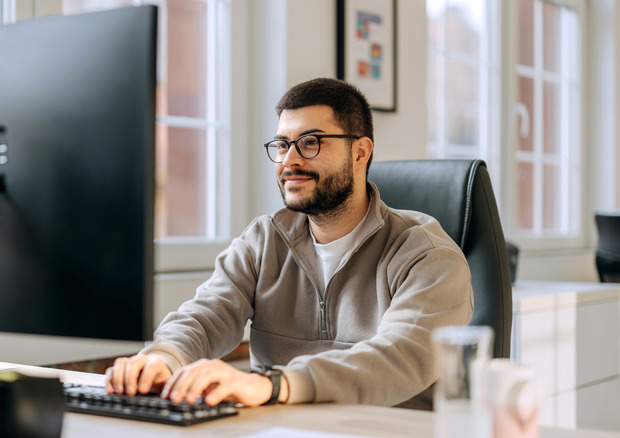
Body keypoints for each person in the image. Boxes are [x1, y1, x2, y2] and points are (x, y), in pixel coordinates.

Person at [106, 77, 473, 410]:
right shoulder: (263, 241)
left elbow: (399, 356)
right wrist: (164, 356)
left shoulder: (426, 254)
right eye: (282, 144)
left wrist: (274, 384)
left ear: (360, 152)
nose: (289, 161)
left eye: (310, 143)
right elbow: (205, 314)